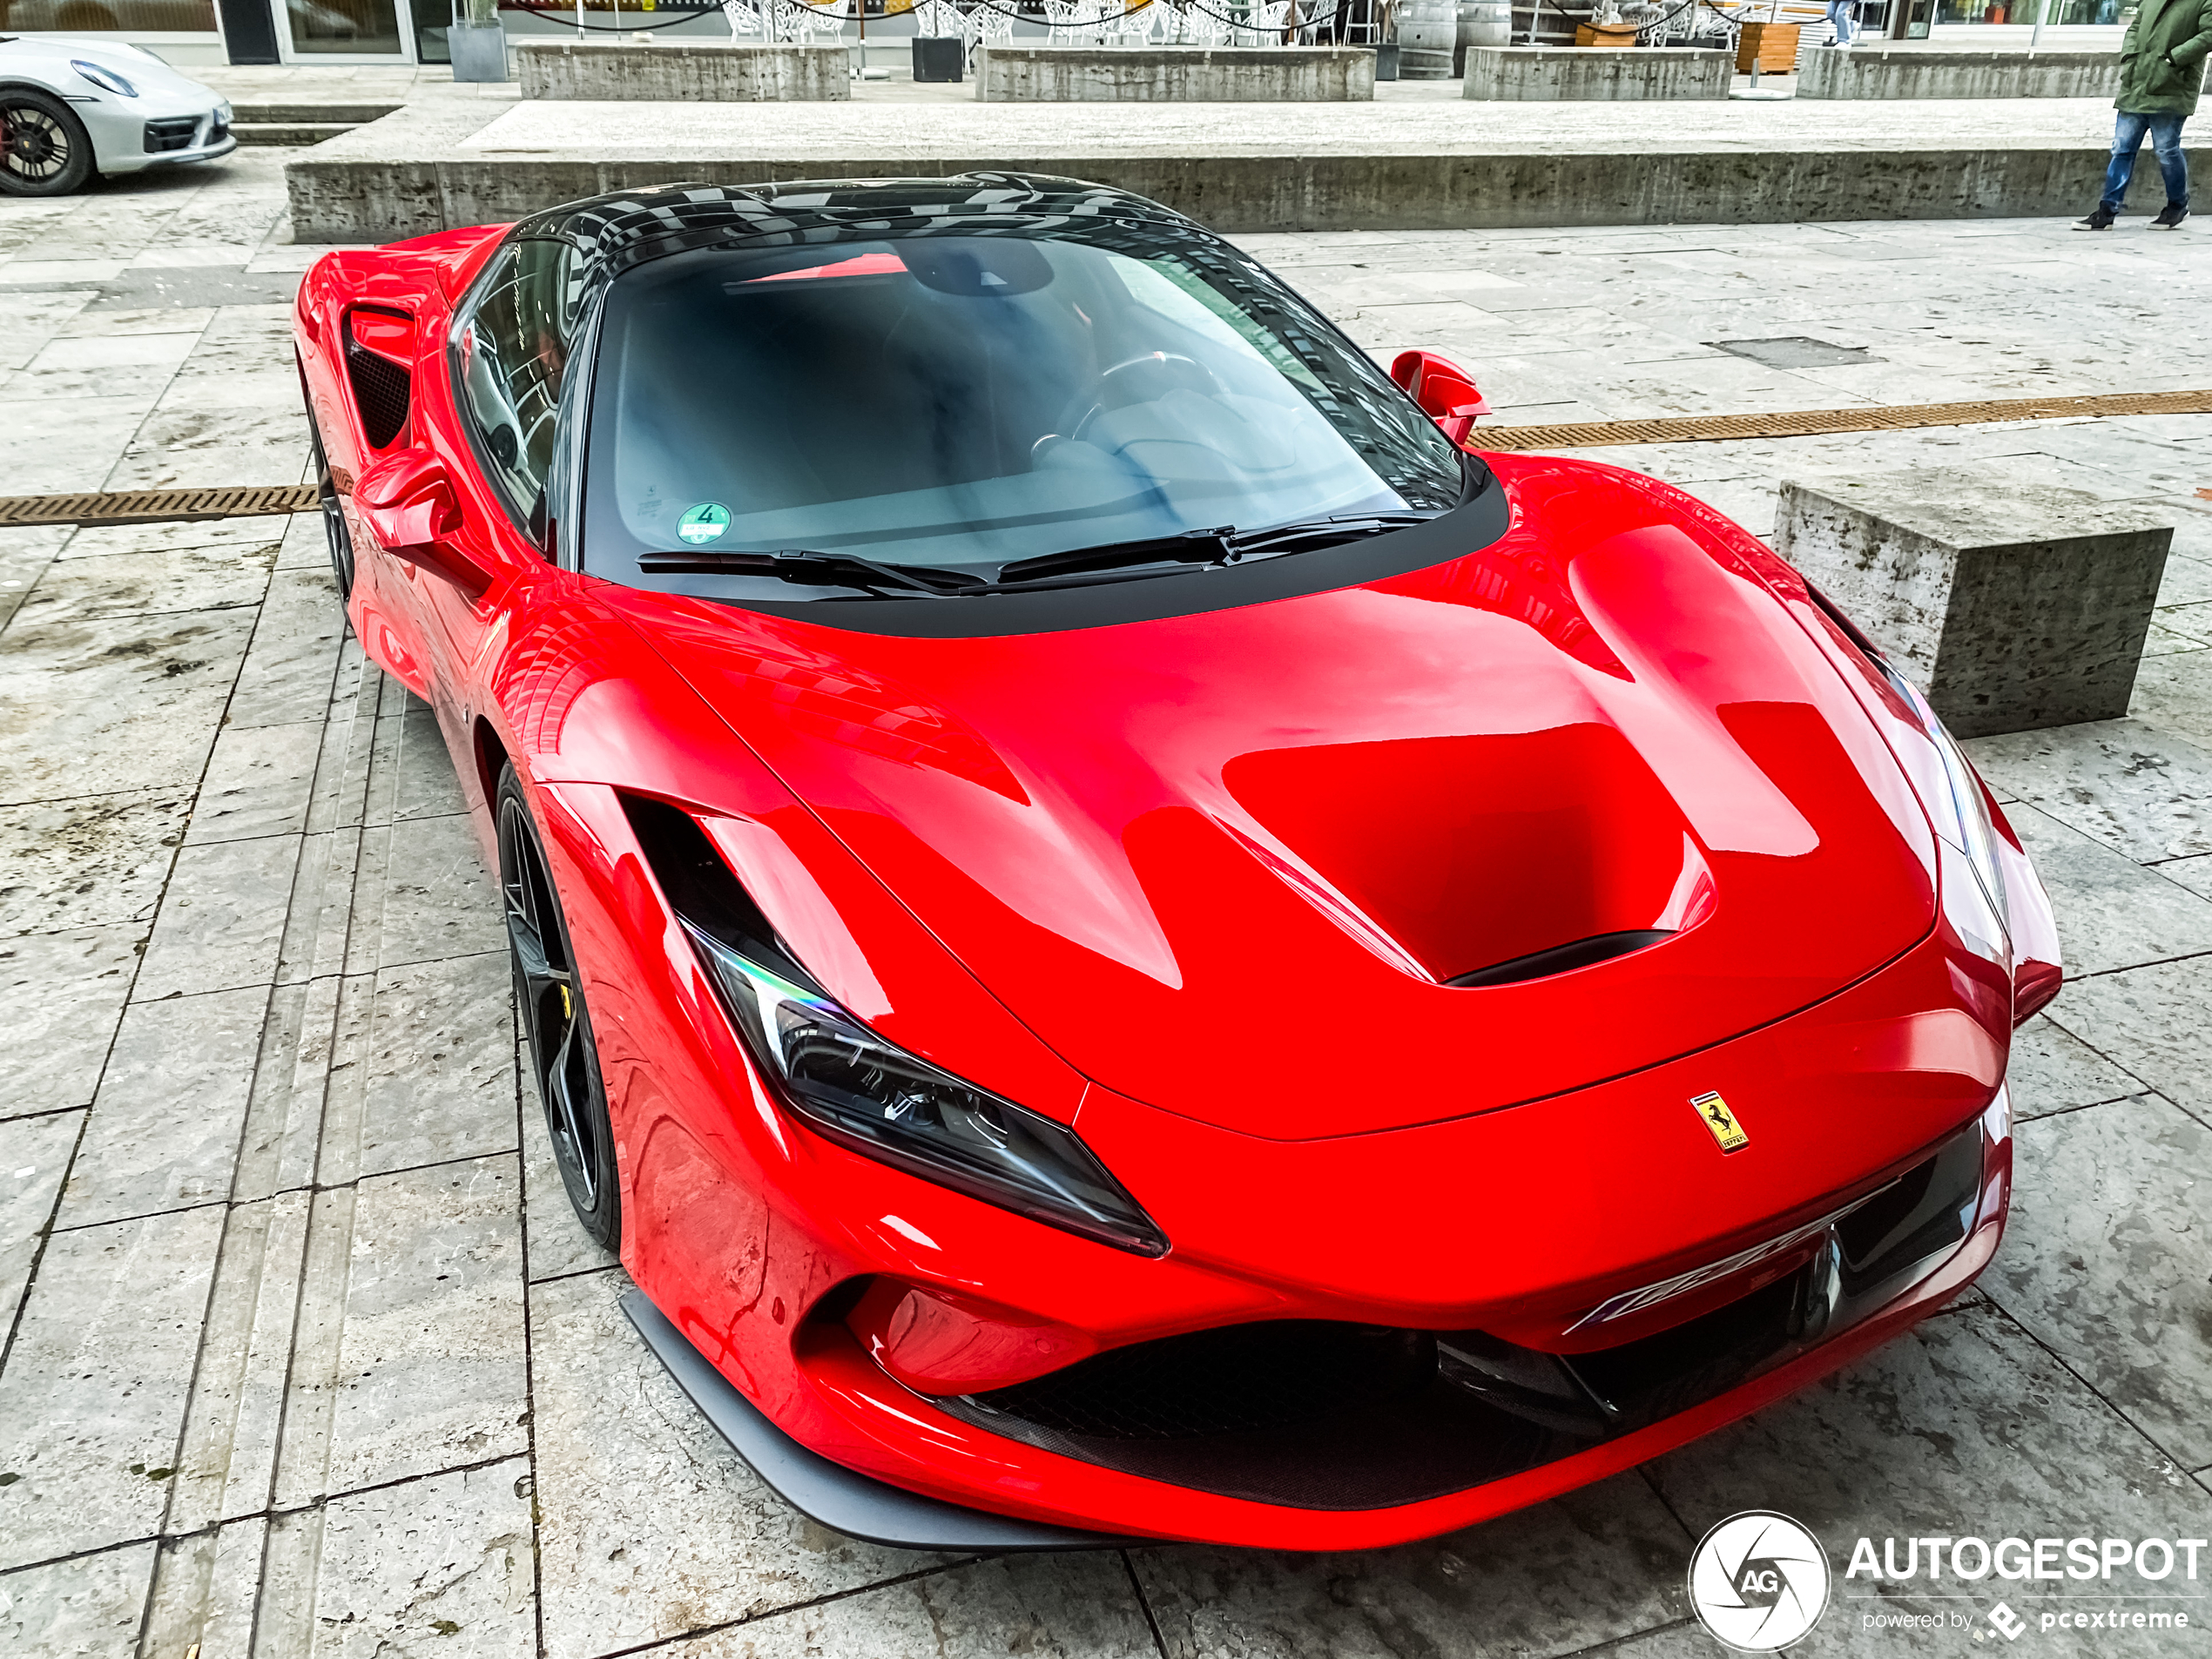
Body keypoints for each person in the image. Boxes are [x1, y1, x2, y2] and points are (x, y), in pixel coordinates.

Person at [2077, 0, 2212, 229]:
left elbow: (2209, 34)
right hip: (2137, 82)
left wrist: (2174, 58)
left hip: (2171, 85)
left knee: (2166, 150)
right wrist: (2130, 55)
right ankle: (2107, 210)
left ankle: (2177, 206)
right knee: (2122, 148)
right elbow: (2135, 26)